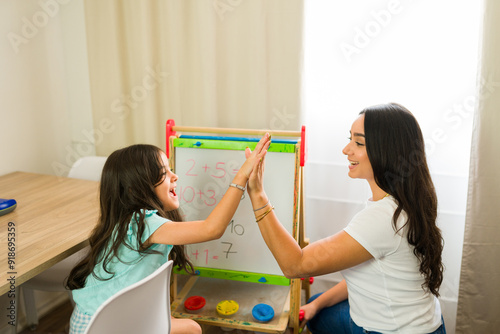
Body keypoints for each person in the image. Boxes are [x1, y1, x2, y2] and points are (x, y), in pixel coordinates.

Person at [246, 103, 446, 333]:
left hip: (395, 329)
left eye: (358, 143)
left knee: (317, 317)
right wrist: (316, 305)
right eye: (350, 139)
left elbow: (295, 265)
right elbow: (368, 272)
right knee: (318, 307)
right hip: (426, 322)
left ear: (387, 152)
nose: (346, 149)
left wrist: (258, 194)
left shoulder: (382, 219)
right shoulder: (409, 201)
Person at [66, 134, 270, 334]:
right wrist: (241, 176)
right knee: (192, 329)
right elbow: (212, 229)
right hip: (103, 325)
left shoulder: (127, 223)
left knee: (173, 321)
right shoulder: (141, 222)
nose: (175, 176)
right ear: (135, 188)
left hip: (95, 320)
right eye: (164, 173)